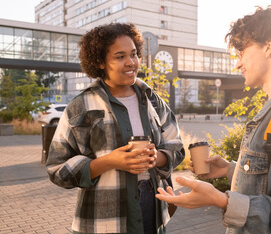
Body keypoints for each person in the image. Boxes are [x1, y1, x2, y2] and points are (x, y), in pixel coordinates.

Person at [156, 4, 271, 233]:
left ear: (269, 47)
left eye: (242, 53)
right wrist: (232, 170)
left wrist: (220, 200)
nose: (237, 63)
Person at [46, 23, 184, 234]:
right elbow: (57, 168)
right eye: (120, 57)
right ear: (100, 62)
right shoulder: (81, 106)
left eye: (134, 54)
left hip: (152, 205)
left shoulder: (152, 100)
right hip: (104, 217)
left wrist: (156, 158)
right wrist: (109, 162)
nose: (131, 62)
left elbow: (177, 147)